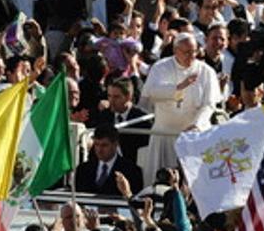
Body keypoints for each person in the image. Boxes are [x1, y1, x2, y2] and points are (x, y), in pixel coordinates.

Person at [138, 34, 220, 182]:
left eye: (194, 51)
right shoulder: (161, 67)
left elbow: (209, 104)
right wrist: (178, 88)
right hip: (165, 134)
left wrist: (197, 125)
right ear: (176, 50)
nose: (192, 56)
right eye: (186, 52)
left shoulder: (206, 72)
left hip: (194, 136)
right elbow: (151, 93)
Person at [74, 124, 143, 196]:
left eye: (104, 145)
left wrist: (127, 192)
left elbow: (136, 202)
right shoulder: (83, 169)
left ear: (115, 144)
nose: (99, 150)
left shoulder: (132, 171)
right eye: (96, 144)